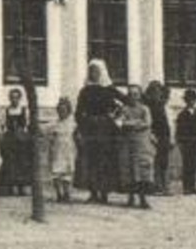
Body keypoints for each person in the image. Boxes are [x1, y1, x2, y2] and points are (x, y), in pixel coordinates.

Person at [76, 59, 123, 203]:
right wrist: (82, 124)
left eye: (96, 71)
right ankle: (93, 192)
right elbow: (78, 111)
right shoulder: (85, 91)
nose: (93, 74)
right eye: (91, 71)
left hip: (105, 129)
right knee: (91, 161)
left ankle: (104, 193)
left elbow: (124, 102)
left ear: (102, 72)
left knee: (105, 161)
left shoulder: (108, 89)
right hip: (90, 129)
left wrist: (114, 116)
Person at [116, 84, 156, 209]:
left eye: (136, 94)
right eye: (131, 94)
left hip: (142, 143)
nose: (133, 97)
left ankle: (143, 198)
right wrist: (134, 123)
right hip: (127, 143)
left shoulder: (145, 109)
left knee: (142, 170)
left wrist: (130, 124)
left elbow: (147, 123)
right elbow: (119, 123)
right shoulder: (124, 109)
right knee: (129, 170)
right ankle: (130, 197)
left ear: (140, 96)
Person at [0, 86, 33, 197]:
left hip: (21, 139)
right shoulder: (6, 111)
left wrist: (25, 135)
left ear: (19, 99)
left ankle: (22, 186)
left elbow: (27, 125)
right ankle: (11, 186)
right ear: (9, 99)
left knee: (22, 162)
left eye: (16, 98)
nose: (14, 100)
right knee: (10, 162)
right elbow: (3, 126)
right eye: (12, 98)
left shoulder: (24, 110)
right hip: (10, 139)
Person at [146, 81, 174, 195]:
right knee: (154, 162)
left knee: (164, 162)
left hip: (164, 136)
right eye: (154, 92)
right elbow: (149, 123)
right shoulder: (149, 107)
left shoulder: (164, 107)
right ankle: (156, 186)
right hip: (154, 137)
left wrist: (171, 138)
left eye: (158, 92)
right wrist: (151, 135)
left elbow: (169, 124)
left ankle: (165, 186)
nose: (156, 95)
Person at [48, 96, 78, 203]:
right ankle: (59, 194)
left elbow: (76, 136)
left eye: (64, 110)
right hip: (57, 150)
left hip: (68, 149)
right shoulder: (55, 124)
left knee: (67, 172)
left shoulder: (72, 123)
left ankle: (67, 193)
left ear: (68, 110)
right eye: (60, 110)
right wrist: (51, 149)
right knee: (56, 171)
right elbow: (51, 138)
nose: (62, 113)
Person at [176, 88, 196, 194]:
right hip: (187, 143)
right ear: (186, 101)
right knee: (187, 164)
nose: (191, 102)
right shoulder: (182, 114)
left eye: (193, 99)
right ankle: (186, 187)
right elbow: (180, 130)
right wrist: (181, 142)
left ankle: (192, 186)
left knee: (194, 164)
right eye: (189, 100)